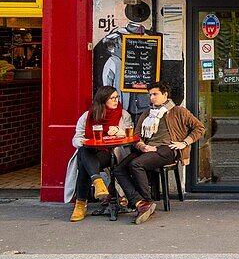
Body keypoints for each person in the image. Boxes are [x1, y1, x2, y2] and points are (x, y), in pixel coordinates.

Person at [114, 81, 204, 225]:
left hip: (167, 149)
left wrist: (184, 142)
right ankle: (139, 202)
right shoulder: (147, 113)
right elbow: (136, 134)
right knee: (119, 169)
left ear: (165, 94)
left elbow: (199, 128)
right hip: (147, 148)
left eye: (155, 94)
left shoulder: (178, 111)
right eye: (150, 95)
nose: (152, 98)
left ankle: (147, 201)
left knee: (136, 164)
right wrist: (141, 145)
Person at [66, 86, 133, 222]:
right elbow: (76, 138)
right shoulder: (87, 116)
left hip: (112, 153)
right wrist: (83, 141)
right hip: (92, 153)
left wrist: (119, 131)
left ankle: (81, 203)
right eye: (112, 98)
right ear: (103, 100)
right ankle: (97, 181)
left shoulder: (123, 115)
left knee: (83, 160)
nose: (116, 101)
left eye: (117, 97)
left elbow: (129, 136)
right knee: (83, 151)